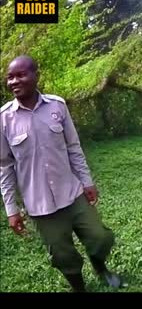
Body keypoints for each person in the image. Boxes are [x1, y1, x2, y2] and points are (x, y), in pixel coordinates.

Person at [0, 55, 123, 292]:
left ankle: (101, 268)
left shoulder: (57, 106)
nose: (14, 81)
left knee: (100, 238)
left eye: (21, 75)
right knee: (62, 255)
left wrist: (87, 182)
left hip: (72, 193)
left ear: (37, 75)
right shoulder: (4, 119)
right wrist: (11, 210)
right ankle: (79, 289)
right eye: (10, 77)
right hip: (40, 205)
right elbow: (4, 166)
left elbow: (73, 147)